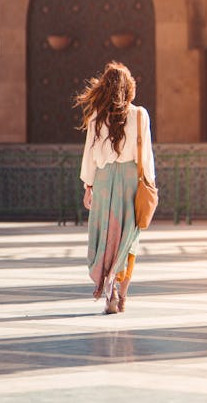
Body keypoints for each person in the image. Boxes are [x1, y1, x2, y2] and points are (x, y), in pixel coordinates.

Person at [75, 61, 155, 314]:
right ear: (129, 88)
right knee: (128, 241)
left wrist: (88, 186)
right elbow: (147, 156)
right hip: (131, 183)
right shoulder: (140, 115)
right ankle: (122, 296)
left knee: (106, 238)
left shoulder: (96, 118)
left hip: (103, 182)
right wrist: (150, 184)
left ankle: (107, 291)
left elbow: (89, 155)